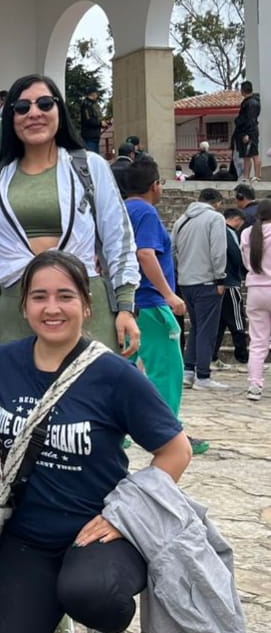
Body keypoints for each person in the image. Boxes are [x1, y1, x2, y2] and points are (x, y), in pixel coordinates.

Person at [0, 250, 192, 633]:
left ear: (86, 305)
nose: (52, 308)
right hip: (28, 535)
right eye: (39, 297)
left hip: (96, 534)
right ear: (24, 306)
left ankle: (106, 630)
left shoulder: (112, 373)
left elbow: (176, 450)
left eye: (65, 296)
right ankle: (53, 610)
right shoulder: (3, 362)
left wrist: (124, 515)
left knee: (90, 592)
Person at [0, 74, 139, 355]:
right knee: (20, 395)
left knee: (88, 392)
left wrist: (126, 306)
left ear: (60, 110)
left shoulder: (89, 167)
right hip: (15, 305)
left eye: (45, 104)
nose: (34, 113)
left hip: (81, 300)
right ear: (10, 117)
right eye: (22, 107)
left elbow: (119, 237)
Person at [123, 158, 209, 455]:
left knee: (124, 368)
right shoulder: (146, 212)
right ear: (154, 185)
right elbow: (146, 254)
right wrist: (169, 295)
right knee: (168, 369)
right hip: (150, 302)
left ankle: (117, 429)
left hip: (127, 304)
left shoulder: (122, 210)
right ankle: (168, 433)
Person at [173, 188, 229, 390]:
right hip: (207, 281)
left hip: (186, 281)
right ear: (217, 202)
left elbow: (173, 250)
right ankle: (203, 375)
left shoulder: (181, 220)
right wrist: (220, 277)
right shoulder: (215, 218)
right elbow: (218, 250)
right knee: (208, 329)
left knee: (197, 327)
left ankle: (188, 371)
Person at [242, 200, 271, 401]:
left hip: (255, 289)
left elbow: (246, 262)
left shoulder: (247, 233)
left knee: (258, 341)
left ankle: (255, 385)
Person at [215, 208, 250, 372]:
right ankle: (242, 357)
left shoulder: (216, 230)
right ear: (236, 219)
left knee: (219, 323)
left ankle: (212, 356)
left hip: (218, 282)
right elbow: (237, 254)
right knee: (237, 321)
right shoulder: (229, 233)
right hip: (230, 282)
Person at [233, 81, 261, 182]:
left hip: (249, 131)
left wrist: (247, 134)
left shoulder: (251, 103)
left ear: (243, 90)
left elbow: (250, 119)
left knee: (254, 154)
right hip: (247, 131)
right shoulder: (250, 101)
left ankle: (257, 176)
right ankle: (246, 177)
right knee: (246, 155)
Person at [78, 86, 103, 154]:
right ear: (93, 94)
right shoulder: (86, 105)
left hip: (94, 136)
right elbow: (89, 120)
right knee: (91, 157)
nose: (97, 95)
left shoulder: (92, 104)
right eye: (96, 93)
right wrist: (100, 123)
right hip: (89, 137)